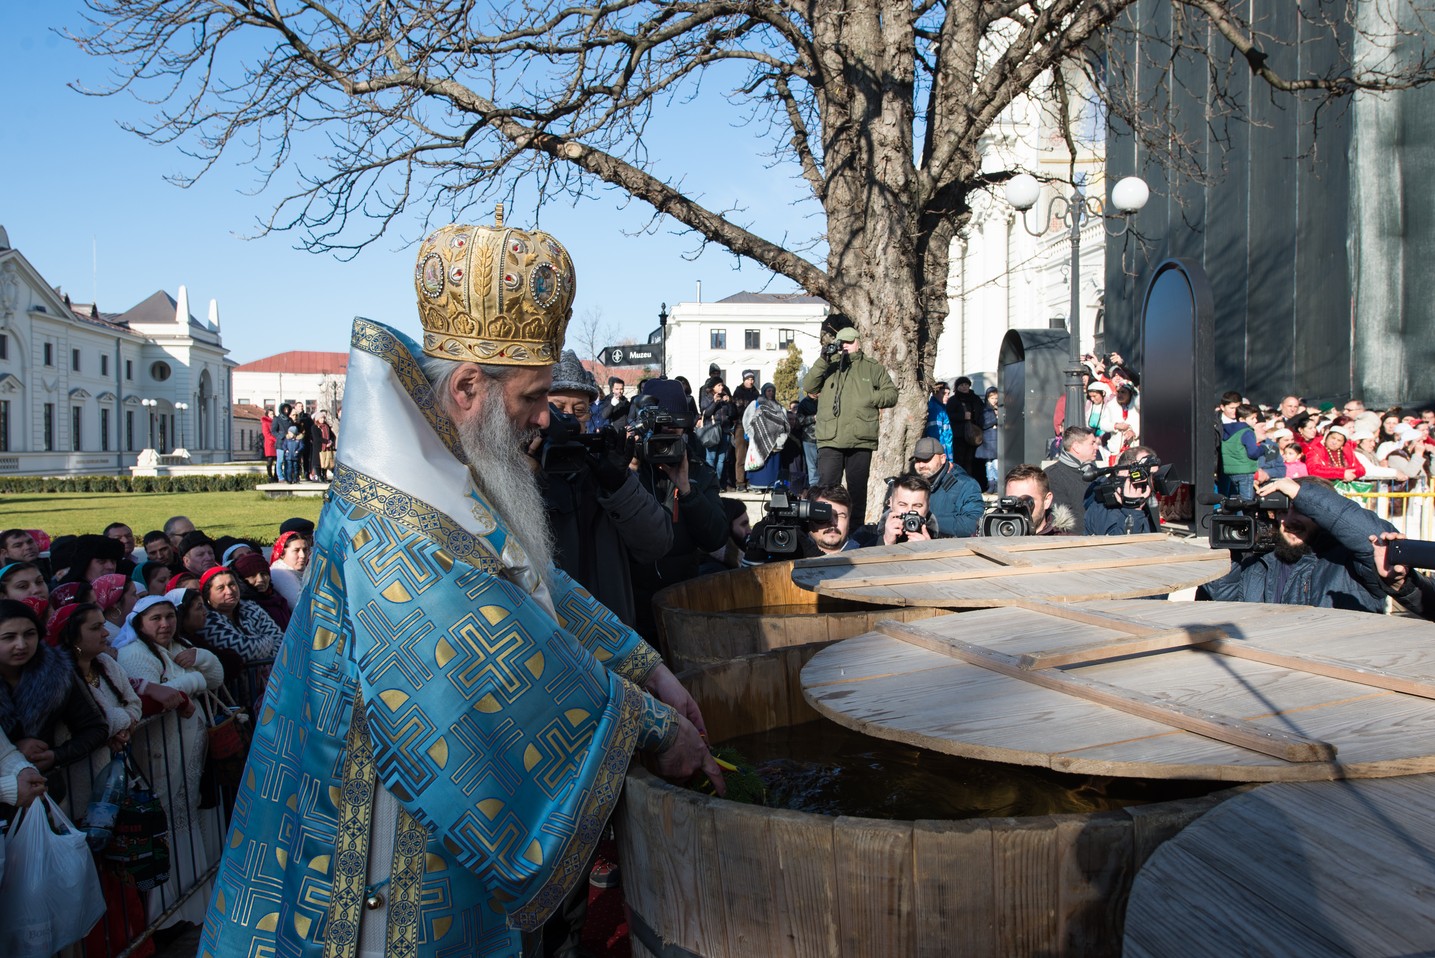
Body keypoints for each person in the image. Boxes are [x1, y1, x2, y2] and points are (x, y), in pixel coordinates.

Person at [201, 219, 720, 958]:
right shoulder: (390, 520)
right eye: (532, 396)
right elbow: (486, 659)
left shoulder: (440, 470)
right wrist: (649, 728)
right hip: (386, 857)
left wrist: (646, 668)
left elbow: (530, 582)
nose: (545, 416)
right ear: (469, 386)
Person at [540, 350, 674, 630]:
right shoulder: (523, 474)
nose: (569, 419)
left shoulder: (602, 471)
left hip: (610, 631)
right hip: (551, 631)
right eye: (557, 408)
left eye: (579, 410)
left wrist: (619, 485)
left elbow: (657, 543)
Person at [117, 595, 225, 932]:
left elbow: (216, 678)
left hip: (189, 751)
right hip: (160, 753)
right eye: (156, 619)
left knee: (186, 815)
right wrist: (193, 681)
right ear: (139, 623)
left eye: (169, 616)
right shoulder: (134, 654)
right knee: (166, 820)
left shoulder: (181, 645)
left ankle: (192, 902)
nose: (165, 624)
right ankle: (166, 913)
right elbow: (152, 699)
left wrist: (202, 659)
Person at [1198, 477, 1395, 612]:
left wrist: (1300, 493)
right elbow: (1221, 611)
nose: (1289, 520)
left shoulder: (1351, 562)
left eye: (1301, 510)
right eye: (1283, 512)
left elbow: (1376, 537)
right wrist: (1229, 559)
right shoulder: (1260, 562)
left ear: (1324, 514)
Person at [629, 378, 729, 640]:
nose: (666, 435)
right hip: (632, 602)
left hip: (680, 600)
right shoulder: (627, 469)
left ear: (686, 428)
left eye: (674, 427)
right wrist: (629, 471)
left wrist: (686, 489)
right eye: (659, 427)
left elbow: (716, 538)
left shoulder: (700, 473)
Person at [0, 598, 109, 804]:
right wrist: (10, 751)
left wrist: (54, 756)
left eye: (29, 634)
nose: (21, 645)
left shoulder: (57, 672)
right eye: (9, 637)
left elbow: (95, 727)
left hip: (46, 793)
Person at [801, 316, 898, 526]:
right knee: (827, 489)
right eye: (841, 342)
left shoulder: (871, 367)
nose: (845, 346)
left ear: (858, 343)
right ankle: (824, 528)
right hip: (831, 437)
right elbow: (809, 386)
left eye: (849, 342)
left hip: (860, 438)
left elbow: (891, 394)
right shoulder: (829, 365)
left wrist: (870, 398)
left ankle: (855, 532)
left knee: (857, 490)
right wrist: (823, 360)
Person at [199, 566, 285, 663]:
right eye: (220, 588)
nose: (229, 591)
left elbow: (282, 642)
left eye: (232, 584)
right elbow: (244, 651)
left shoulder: (250, 607)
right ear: (207, 595)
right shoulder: (206, 619)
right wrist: (269, 641)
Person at [910, 436, 983, 538]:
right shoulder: (913, 483)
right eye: (917, 460)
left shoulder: (966, 485)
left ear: (943, 458)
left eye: (926, 459)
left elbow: (973, 525)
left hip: (949, 547)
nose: (921, 465)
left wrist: (928, 521)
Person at [1084, 446, 1162, 536]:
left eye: (1154, 475)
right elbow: (1118, 543)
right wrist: (1132, 510)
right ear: (1123, 472)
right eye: (1146, 473)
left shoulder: (1145, 497)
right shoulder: (1105, 503)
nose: (1150, 480)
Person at [852, 474, 938, 546]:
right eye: (903, 505)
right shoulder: (866, 534)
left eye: (917, 506)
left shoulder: (940, 541)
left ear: (928, 506)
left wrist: (929, 551)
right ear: (890, 503)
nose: (909, 511)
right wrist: (885, 542)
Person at [998, 464, 1077, 536]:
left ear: (1047, 501)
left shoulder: (1066, 542)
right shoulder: (996, 538)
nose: (1019, 508)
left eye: (1027, 501)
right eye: (1012, 501)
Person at [1045, 425, 1100, 520]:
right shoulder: (1053, 475)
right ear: (1076, 447)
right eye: (1092, 443)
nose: (1097, 447)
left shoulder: (1096, 472)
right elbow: (1062, 518)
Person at [232, 552, 291, 631]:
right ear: (242, 580)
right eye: (252, 576)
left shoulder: (278, 600)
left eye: (263, 574)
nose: (260, 579)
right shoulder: (243, 609)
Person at [1220, 403, 1266, 499]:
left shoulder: (1227, 431)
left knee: (1234, 499)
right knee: (1246, 501)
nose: (1256, 420)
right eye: (1252, 418)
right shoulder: (1247, 432)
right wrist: (1263, 449)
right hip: (1245, 471)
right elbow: (1253, 453)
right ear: (1242, 419)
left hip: (1231, 471)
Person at [944, 375, 986, 482]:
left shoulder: (975, 398)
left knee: (973, 460)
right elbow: (948, 415)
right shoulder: (953, 400)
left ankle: (972, 481)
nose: (964, 387)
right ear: (957, 387)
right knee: (960, 460)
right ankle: (960, 481)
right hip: (959, 436)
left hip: (974, 435)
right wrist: (962, 416)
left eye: (966, 384)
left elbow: (982, 412)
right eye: (961, 385)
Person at [701, 380, 736, 487]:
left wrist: (729, 402)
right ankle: (709, 482)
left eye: (722, 385)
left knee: (721, 459)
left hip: (725, 431)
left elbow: (732, 414)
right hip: (712, 431)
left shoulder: (725, 396)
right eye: (719, 385)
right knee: (711, 458)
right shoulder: (707, 398)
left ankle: (717, 483)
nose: (721, 387)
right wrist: (715, 402)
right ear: (713, 387)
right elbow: (706, 413)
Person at [730, 369, 760, 491]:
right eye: (748, 379)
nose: (751, 381)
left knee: (753, 455)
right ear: (744, 380)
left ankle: (752, 481)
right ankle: (740, 482)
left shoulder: (756, 392)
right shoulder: (738, 392)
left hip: (754, 426)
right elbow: (737, 410)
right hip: (740, 426)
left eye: (752, 379)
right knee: (741, 455)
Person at [268, 529, 311, 609]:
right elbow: (300, 606)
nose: (302, 555)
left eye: (305, 550)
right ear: (282, 554)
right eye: (296, 550)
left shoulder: (306, 571)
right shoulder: (279, 573)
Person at [310, 409, 339, 481]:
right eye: (321, 418)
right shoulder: (314, 427)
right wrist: (326, 442)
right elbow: (317, 438)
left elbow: (332, 436)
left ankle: (324, 475)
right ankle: (319, 476)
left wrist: (330, 442)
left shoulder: (326, 426)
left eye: (323, 418)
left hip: (327, 448)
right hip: (319, 448)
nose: (322, 420)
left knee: (325, 462)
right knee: (318, 463)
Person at [261, 406, 278, 480]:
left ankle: (276, 475)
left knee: (278, 461)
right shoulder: (265, 423)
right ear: (267, 415)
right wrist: (275, 439)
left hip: (276, 444)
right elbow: (266, 434)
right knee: (270, 460)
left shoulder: (276, 422)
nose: (272, 415)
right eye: (271, 414)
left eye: (273, 414)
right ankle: (270, 476)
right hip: (270, 444)